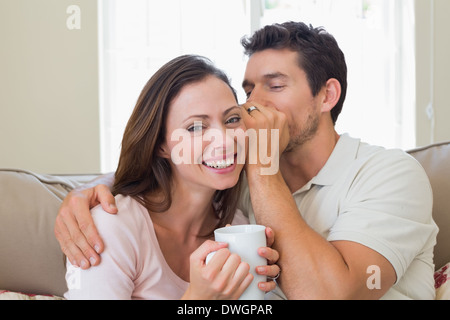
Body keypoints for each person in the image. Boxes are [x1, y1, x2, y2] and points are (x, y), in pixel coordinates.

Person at [56, 22, 438, 300]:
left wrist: (262, 165)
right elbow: (175, 172)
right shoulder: (232, 194)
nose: (254, 104)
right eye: (248, 90)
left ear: (326, 96)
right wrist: (88, 194)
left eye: (274, 85)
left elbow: (329, 297)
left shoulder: (389, 174)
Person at [63, 54, 280, 300]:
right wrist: (198, 299)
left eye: (231, 120)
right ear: (161, 145)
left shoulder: (238, 229)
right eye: (195, 127)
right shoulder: (111, 227)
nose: (225, 139)